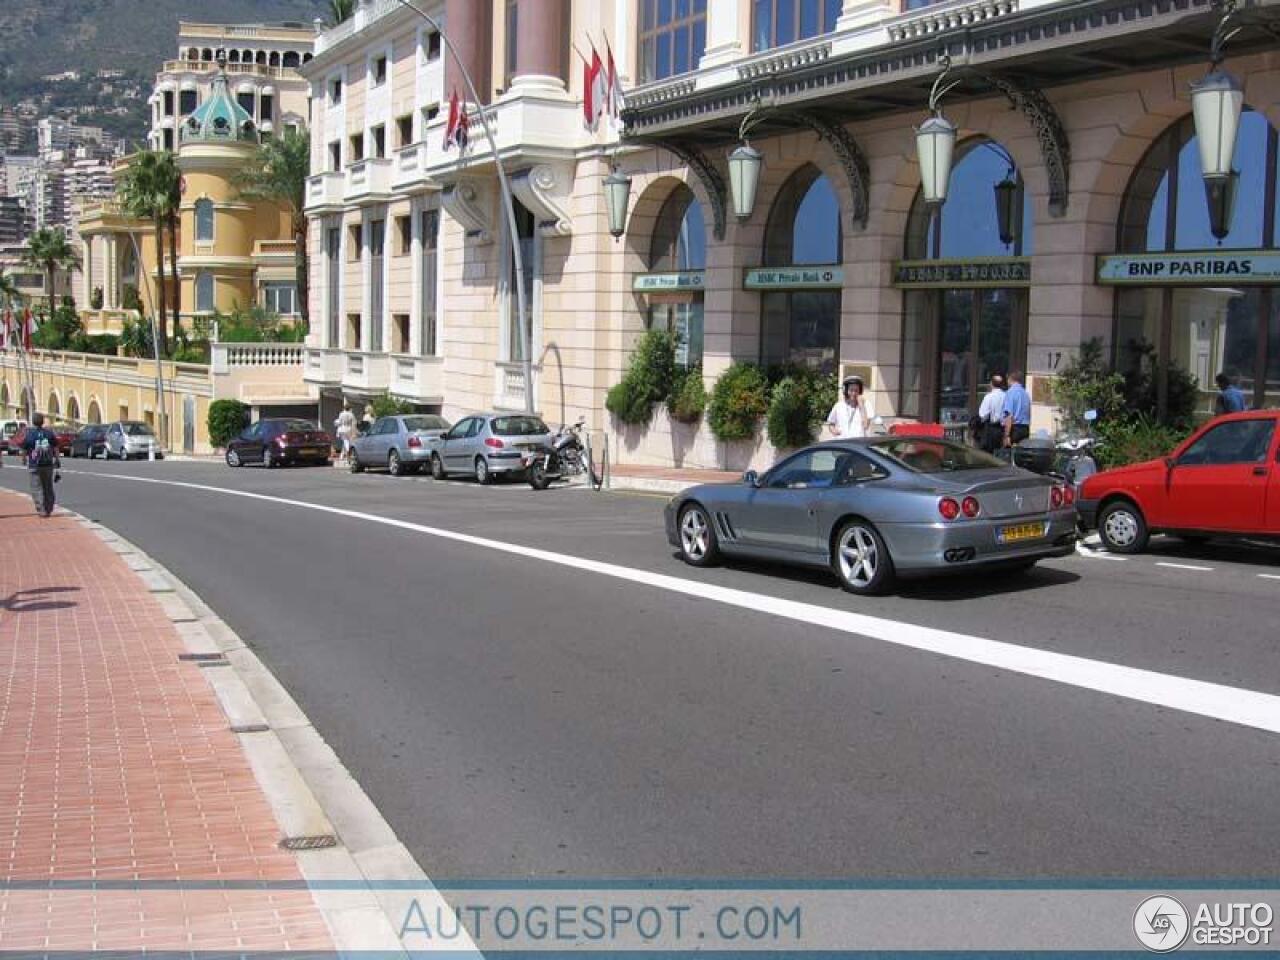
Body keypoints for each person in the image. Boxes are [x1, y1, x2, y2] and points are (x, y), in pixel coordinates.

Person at [21, 412, 60, 518]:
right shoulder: (49, 433)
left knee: (36, 487)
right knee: (48, 486)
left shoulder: (30, 434)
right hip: (48, 464)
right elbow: (56, 447)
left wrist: (24, 459)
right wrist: (56, 459)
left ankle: (41, 509)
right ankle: (49, 507)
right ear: (42, 421)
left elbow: (24, 448)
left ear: (33, 422)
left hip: (34, 465)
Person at [825, 375, 874, 440]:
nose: (853, 393)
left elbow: (865, 425)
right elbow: (831, 423)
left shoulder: (866, 405)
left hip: (858, 443)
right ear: (846, 390)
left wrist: (861, 406)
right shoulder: (839, 405)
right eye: (851, 390)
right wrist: (834, 431)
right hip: (842, 443)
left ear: (860, 391)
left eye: (856, 390)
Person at [976, 374, 1006, 453]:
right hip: (1002, 429)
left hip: (990, 429)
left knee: (987, 454)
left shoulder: (989, 397)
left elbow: (983, 415)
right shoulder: (1006, 396)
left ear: (991, 384)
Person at [1002, 371, 1032, 448]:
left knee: (1008, 455)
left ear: (1010, 379)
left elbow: (1009, 416)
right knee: (1022, 455)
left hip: (1014, 429)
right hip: (1025, 429)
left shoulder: (1010, 392)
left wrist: (1007, 435)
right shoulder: (1025, 393)